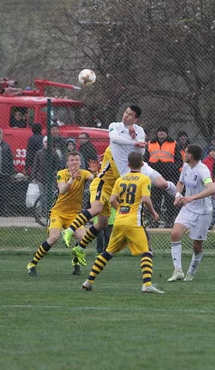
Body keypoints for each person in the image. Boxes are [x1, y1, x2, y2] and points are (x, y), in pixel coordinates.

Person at [62, 106, 177, 266]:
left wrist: (136, 142)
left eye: (130, 114)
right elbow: (116, 140)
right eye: (125, 112)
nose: (126, 115)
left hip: (117, 185)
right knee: (96, 209)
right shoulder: (114, 137)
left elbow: (139, 153)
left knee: (102, 223)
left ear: (135, 119)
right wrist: (133, 142)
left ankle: (80, 248)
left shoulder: (137, 136)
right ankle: (69, 231)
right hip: (103, 184)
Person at [82, 151, 163, 293]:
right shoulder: (144, 179)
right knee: (147, 251)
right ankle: (147, 284)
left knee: (107, 253)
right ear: (143, 164)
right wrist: (154, 213)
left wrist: (121, 210)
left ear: (127, 164)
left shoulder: (120, 179)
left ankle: (88, 281)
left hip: (120, 220)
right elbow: (145, 199)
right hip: (134, 222)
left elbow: (113, 200)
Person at [27, 151, 96, 277]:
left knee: (83, 238)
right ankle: (32, 264)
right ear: (67, 163)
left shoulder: (85, 173)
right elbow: (63, 190)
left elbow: (96, 180)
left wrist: (96, 172)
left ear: (80, 162)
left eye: (77, 160)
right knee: (54, 237)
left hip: (74, 215)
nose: (75, 162)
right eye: (72, 160)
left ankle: (75, 263)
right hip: (58, 213)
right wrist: (72, 179)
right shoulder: (62, 173)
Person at [167, 144, 215, 282]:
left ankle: (191, 272)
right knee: (175, 234)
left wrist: (191, 198)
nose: (184, 154)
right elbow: (180, 182)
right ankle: (178, 271)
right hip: (188, 208)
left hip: (203, 212)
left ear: (191, 155)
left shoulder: (202, 170)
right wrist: (177, 195)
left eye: (186, 152)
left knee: (197, 245)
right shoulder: (186, 166)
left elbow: (211, 189)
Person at [145, 125, 181, 228]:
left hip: (169, 175)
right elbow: (146, 158)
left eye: (163, 131)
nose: (161, 133)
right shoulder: (150, 143)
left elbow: (179, 160)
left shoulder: (174, 143)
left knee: (169, 199)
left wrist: (172, 168)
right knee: (155, 199)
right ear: (157, 133)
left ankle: (169, 220)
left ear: (167, 133)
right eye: (160, 131)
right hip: (154, 174)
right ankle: (154, 220)